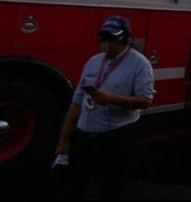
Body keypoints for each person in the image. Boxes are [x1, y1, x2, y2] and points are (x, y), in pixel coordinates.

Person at [54, 16, 155, 199]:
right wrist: (64, 139)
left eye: (112, 39)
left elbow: (145, 100)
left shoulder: (140, 64)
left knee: (110, 186)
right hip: (84, 134)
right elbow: (77, 101)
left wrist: (112, 98)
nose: (106, 44)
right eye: (103, 39)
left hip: (116, 136)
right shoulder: (93, 61)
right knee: (76, 183)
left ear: (125, 40)